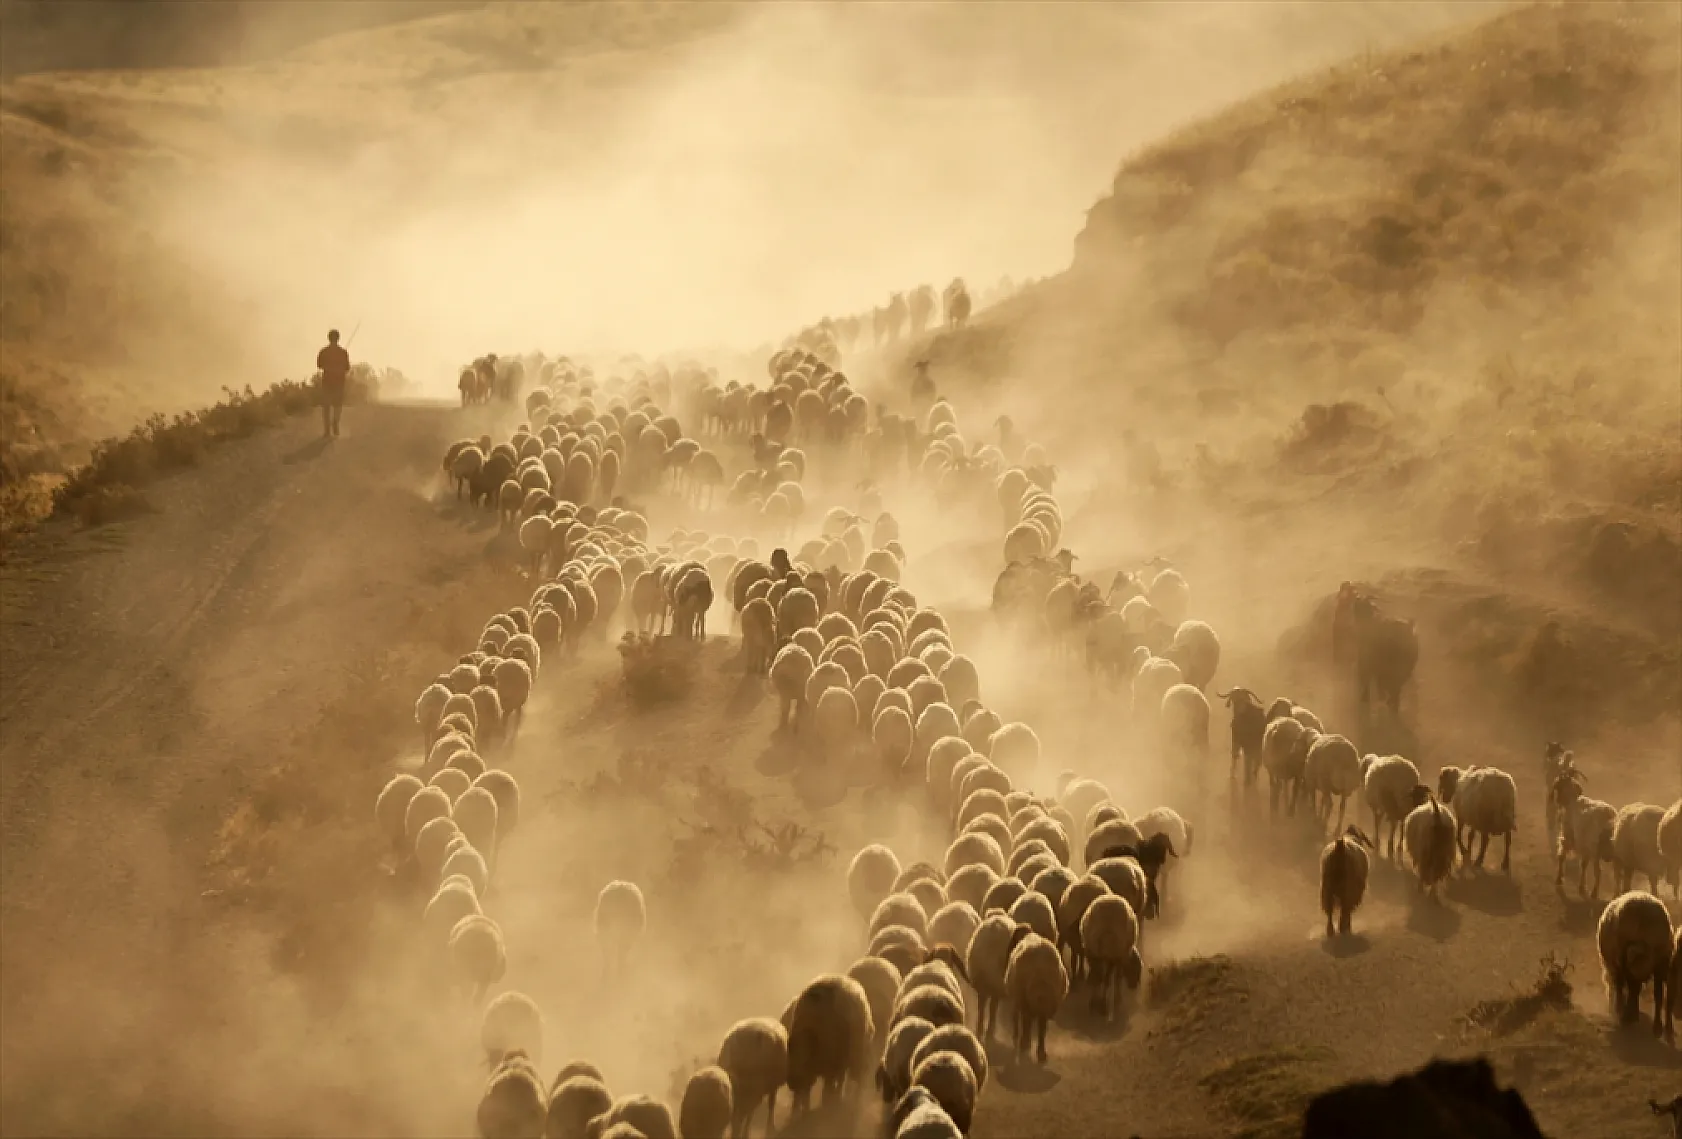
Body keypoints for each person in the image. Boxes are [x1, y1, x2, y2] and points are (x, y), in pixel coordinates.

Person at [316, 329, 351, 438]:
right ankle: (335, 423)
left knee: (326, 406)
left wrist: (329, 367)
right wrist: (338, 368)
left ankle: (327, 430)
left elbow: (319, 365)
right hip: (339, 382)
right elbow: (347, 367)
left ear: (329, 338)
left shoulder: (324, 351)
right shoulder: (343, 352)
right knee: (337, 405)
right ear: (338, 338)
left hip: (327, 381)